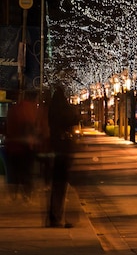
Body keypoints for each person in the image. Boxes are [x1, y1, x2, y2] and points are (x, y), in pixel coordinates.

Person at [47, 83, 81, 228]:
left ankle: (56, 216)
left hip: (55, 150)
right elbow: (73, 118)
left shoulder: (51, 110)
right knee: (61, 186)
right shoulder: (63, 110)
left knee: (57, 186)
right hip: (63, 151)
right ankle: (57, 216)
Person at [4, 99, 38, 201]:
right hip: (25, 148)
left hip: (13, 148)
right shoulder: (30, 115)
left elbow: (8, 129)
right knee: (26, 172)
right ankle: (27, 194)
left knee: (14, 171)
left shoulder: (13, 112)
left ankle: (14, 193)